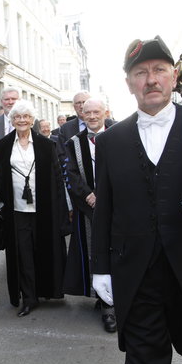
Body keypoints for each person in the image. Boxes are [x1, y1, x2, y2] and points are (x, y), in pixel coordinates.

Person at [92, 35, 182, 364]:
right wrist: (101, 267)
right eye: (141, 73)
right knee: (144, 359)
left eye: (159, 69)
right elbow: (106, 208)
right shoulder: (111, 141)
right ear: (129, 83)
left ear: (174, 76)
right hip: (137, 273)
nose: (151, 79)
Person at [0, 99, 70, 317]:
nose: (22, 120)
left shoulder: (46, 145)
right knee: (22, 254)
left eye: (26, 117)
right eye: (17, 117)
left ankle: (46, 290)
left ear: (32, 120)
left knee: (43, 249)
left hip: (44, 208)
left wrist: (63, 208)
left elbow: (57, 178)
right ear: (12, 120)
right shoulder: (3, 146)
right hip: (17, 210)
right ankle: (28, 297)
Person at [63, 98, 116, 333]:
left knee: (118, 251)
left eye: (96, 112)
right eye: (88, 112)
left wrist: (103, 194)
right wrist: (88, 195)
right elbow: (70, 174)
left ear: (105, 112)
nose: (92, 116)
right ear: (81, 115)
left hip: (117, 206)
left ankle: (118, 297)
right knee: (96, 250)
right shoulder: (73, 143)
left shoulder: (119, 135)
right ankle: (106, 303)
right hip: (89, 208)